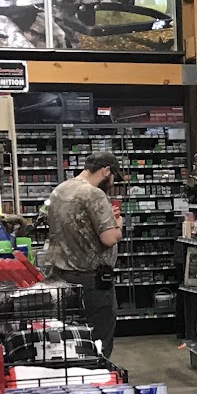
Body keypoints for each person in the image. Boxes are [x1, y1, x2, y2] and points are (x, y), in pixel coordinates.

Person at [43, 152, 122, 357]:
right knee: (98, 340)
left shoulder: (60, 189)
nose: (113, 183)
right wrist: (118, 226)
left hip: (61, 278)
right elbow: (109, 238)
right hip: (92, 281)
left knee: (70, 339)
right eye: (113, 177)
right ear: (106, 171)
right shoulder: (93, 194)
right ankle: (97, 372)